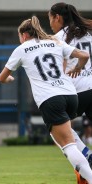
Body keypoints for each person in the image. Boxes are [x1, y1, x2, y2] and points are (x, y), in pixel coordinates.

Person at [0, 15, 92, 182]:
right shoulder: (55, 42)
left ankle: (87, 170)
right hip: (71, 95)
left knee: (68, 146)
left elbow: (1, 77)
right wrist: (78, 68)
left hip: (51, 99)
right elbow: (84, 55)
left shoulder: (22, 48)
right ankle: (84, 164)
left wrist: (9, 79)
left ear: (24, 35)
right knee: (67, 138)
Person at [48, 3, 92, 183]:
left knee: (56, 129)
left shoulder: (58, 38)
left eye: (50, 18)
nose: (50, 23)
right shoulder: (89, 32)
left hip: (76, 91)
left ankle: (86, 156)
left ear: (57, 17)